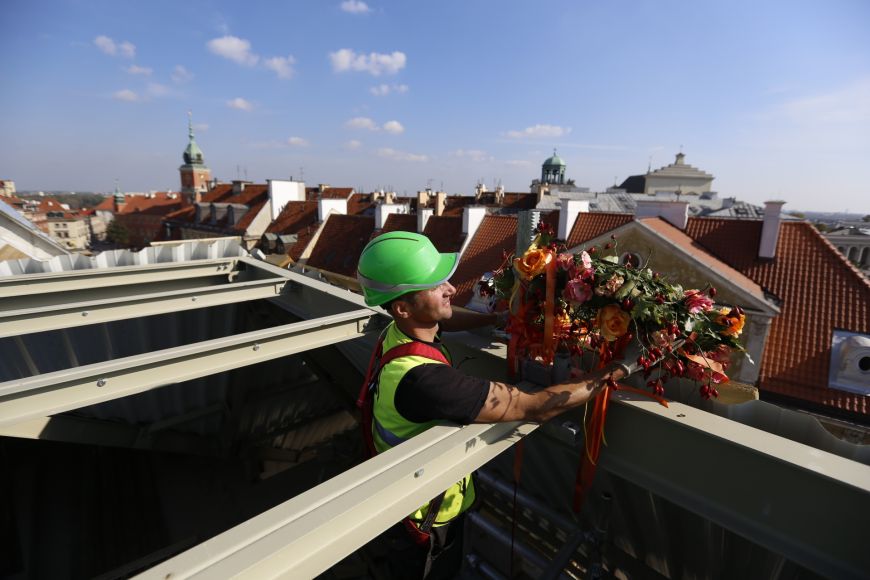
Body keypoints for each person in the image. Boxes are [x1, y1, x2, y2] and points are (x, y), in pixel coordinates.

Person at [357, 231, 628, 579]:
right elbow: (534, 406)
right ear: (403, 307)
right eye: (436, 285)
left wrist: (495, 320)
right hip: (427, 524)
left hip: (399, 500)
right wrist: (618, 369)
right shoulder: (426, 382)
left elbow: (446, 316)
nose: (451, 289)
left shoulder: (397, 332)